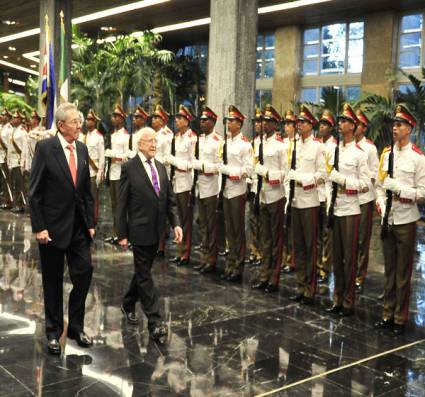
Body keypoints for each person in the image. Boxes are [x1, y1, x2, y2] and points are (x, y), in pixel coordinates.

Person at [29, 102, 95, 355]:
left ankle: (76, 327)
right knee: (53, 281)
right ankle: (54, 331)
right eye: (75, 121)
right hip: (52, 228)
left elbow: (87, 191)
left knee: (84, 272)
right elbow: (34, 192)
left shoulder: (82, 148)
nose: (79, 125)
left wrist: (90, 223)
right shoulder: (46, 148)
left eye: (80, 121)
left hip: (78, 227)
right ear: (61, 125)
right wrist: (40, 227)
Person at [116, 127, 182, 341]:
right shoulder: (129, 168)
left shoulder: (161, 168)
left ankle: (127, 303)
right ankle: (155, 321)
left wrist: (176, 224)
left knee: (142, 270)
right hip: (139, 229)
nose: (154, 144)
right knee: (145, 275)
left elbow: (169, 200)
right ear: (139, 144)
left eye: (155, 141)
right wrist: (122, 233)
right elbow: (121, 204)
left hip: (158, 230)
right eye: (149, 141)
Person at [374, 104, 425, 335]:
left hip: (406, 219)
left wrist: (402, 190)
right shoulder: (386, 154)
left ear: (410, 129)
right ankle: (387, 313)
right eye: (394, 124)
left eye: (400, 124)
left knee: (403, 272)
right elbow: (378, 186)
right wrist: (381, 205)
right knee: (390, 270)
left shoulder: (418, 158)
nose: (395, 128)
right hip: (388, 218)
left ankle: (400, 318)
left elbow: (422, 193)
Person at [325, 104, 369, 317]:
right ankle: (337, 298)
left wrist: (341, 180)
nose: (340, 124)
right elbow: (327, 179)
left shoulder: (360, 154)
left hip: (351, 209)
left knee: (349, 258)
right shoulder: (334, 150)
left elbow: (365, 184)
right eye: (339, 121)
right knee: (336, 256)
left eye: (344, 121)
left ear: (353, 126)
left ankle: (349, 302)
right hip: (335, 207)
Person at [287, 105, 326, 305]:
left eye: (302, 122)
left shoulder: (318, 146)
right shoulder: (294, 145)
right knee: (299, 247)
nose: (299, 125)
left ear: (311, 125)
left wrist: (302, 179)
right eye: (298, 122)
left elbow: (322, 174)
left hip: (310, 201)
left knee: (310, 247)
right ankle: (300, 286)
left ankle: (310, 289)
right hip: (295, 201)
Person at [251, 105, 286, 293]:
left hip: (276, 195)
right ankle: (264, 275)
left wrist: (266, 172)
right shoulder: (259, 143)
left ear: (275, 124)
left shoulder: (281, 146)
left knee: (275, 239)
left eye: (268, 121)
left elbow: (285, 173)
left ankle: (274, 278)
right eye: (263, 121)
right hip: (262, 195)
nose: (263, 124)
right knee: (264, 238)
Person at [219, 105, 253, 282]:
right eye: (228, 120)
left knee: (238, 231)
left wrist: (229, 171)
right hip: (226, 190)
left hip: (237, 191)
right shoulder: (226, 142)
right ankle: (230, 263)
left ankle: (239, 266)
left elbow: (248, 170)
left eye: (232, 121)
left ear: (239, 124)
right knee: (229, 230)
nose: (228, 123)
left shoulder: (244, 144)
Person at [192, 106, 222, 274]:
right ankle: (204, 257)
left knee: (211, 226)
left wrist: (202, 166)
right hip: (200, 187)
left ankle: (212, 259)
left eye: (205, 120)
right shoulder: (199, 139)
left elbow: (219, 166)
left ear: (213, 122)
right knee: (203, 225)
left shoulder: (218, 141)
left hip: (211, 188)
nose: (202, 122)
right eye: (201, 120)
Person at [166, 105, 196, 266]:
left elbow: (190, 164)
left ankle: (186, 253)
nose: (177, 121)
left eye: (180, 118)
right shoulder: (176, 137)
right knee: (178, 218)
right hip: (176, 181)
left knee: (185, 219)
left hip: (185, 182)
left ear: (187, 121)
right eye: (176, 118)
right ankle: (179, 251)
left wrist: (173, 160)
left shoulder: (192, 139)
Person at [354, 109, 379, 293]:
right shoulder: (345, 146)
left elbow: (375, 174)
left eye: (357, 124)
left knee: (362, 238)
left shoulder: (369, 148)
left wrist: (361, 178)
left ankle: (359, 275)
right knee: (349, 238)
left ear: (363, 128)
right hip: (347, 198)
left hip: (363, 197)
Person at [104, 105, 130, 244]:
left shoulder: (126, 136)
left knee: (121, 206)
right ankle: (115, 232)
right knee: (113, 205)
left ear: (122, 119)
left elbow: (127, 156)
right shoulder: (113, 135)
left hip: (121, 173)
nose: (113, 119)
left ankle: (122, 234)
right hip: (113, 173)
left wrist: (114, 156)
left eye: (115, 116)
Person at [317, 110, 337, 284]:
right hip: (315, 194)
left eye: (324, 125)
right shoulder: (317, 145)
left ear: (331, 128)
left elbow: (331, 175)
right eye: (320, 124)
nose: (321, 127)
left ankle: (325, 268)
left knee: (327, 235)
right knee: (316, 233)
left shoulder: (334, 147)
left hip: (327, 194)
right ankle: (316, 265)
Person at [79, 109, 105, 225]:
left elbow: (102, 156)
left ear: (95, 122)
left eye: (90, 119)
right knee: (84, 196)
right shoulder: (85, 136)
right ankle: (86, 217)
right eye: (87, 119)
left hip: (94, 171)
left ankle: (93, 220)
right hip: (85, 170)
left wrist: (100, 171)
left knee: (93, 197)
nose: (87, 121)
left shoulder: (99, 137)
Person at [8, 110, 27, 213]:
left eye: (16, 118)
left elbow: (24, 148)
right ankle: (16, 204)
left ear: (20, 120)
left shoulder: (22, 132)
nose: (14, 119)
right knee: (14, 184)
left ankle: (21, 205)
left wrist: (24, 161)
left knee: (20, 184)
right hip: (13, 161)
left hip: (19, 160)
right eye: (14, 117)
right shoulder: (13, 131)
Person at [0, 109, 13, 209]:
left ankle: (8, 201)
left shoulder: (9, 129)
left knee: (6, 180)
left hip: (4, 157)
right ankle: (4, 199)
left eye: (4, 115)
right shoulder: (2, 127)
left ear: (8, 117)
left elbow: (9, 145)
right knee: (1, 181)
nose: (2, 116)